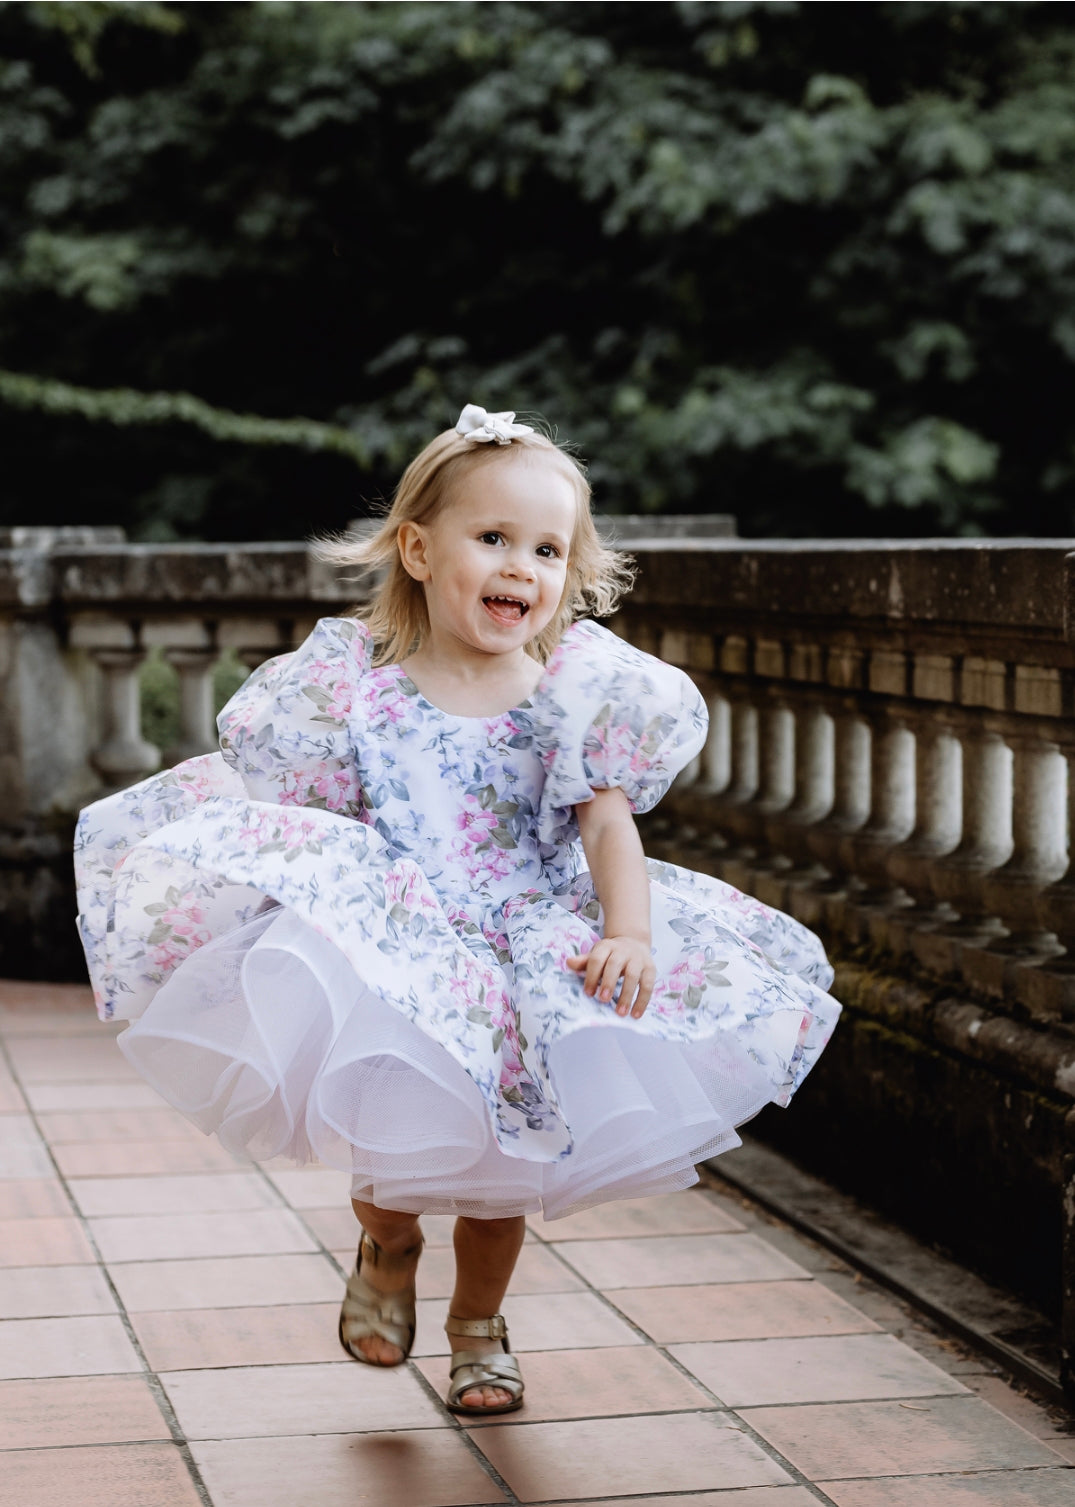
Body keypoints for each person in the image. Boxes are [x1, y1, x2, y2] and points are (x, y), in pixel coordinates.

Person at [74, 403, 841, 1416]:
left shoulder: (571, 693)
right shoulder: (360, 691)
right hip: (404, 947)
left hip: (522, 947)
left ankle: (479, 1327)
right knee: (390, 1152)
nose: (522, 566)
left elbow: (608, 826)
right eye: (493, 538)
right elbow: (318, 821)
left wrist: (627, 930)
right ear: (419, 550)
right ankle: (386, 1247)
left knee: (504, 1167)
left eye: (547, 550)